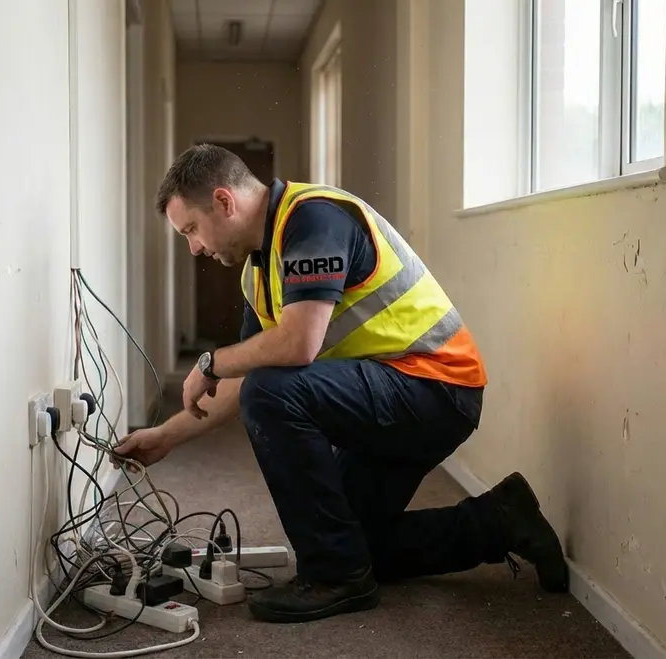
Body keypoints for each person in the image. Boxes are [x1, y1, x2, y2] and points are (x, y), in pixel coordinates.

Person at [116, 144, 569, 624]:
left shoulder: (313, 219)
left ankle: (334, 577)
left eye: (190, 229)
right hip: (391, 394)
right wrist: (165, 436)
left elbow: (297, 345)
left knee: (273, 393)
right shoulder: (258, 271)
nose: (194, 248)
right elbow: (243, 376)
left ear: (224, 201)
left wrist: (210, 362)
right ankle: (500, 520)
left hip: (437, 387)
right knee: (353, 542)